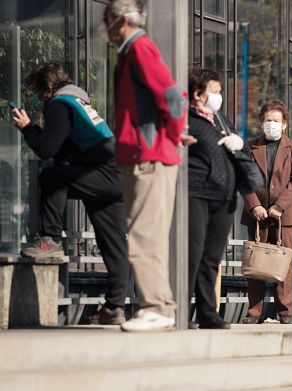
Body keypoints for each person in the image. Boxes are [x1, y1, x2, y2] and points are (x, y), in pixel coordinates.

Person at [11, 63, 130, 326]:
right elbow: (62, 148)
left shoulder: (60, 105)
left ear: (49, 88)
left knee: (51, 177)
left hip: (105, 172)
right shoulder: (78, 102)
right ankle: (114, 306)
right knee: (113, 243)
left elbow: (46, 149)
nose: (37, 96)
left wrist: (27, 127)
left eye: (38, 91)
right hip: (116, 174)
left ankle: (50, 238)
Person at [104, 0, 192, 331]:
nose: (105, 26)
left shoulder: (139, 48)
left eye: (107, 18)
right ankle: (161, 306)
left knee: (143, 234)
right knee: (149, 234)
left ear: (119, 19)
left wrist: (172, 133)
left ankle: (155, 306)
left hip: (148, 156)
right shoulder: (131, 51)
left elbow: (171, 94)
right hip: (147, 154)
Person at [186, 68, 246, 329]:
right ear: (198, 93)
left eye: (220, 92)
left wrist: (239, 142)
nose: (219, 97)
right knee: (192, 253)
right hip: (196, 192)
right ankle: (179, 309)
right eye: (215, 92)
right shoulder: (186, 118)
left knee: (211, 257)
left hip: (225, 196)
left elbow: (234, 147)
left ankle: (207, 312)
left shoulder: (220, 120)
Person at [240, 100, 292, 324]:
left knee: (283, 265)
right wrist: (254, 205)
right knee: (255, 264)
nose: (272, 124)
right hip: (257, 216)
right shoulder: (251, 147)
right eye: (268, 120)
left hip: (284, 216)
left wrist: (279, 206)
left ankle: (285, 312)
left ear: (284, 124)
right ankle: (254, 311)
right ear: (261, 122)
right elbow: (244, 179)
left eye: (276, 121)